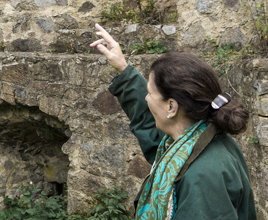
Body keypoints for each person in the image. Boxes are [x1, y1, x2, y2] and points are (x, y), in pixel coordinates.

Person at [90, 23, 256, 220]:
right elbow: (150, 124)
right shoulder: (194, 139)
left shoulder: (202, 176)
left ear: (171, 107)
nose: (146, 98)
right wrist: (123, 69)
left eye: (150, 93)